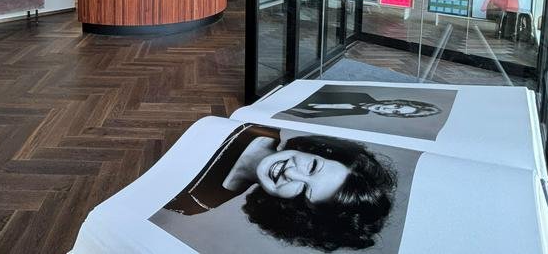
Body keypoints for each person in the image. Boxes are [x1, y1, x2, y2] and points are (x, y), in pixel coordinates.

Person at [164, 124, 396, 251]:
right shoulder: (257, 122)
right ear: (317, 151)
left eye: (303, 191)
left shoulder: (196, 202)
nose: (291, 173)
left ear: (291, 210)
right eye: (313, 166)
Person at [286, 90, 442, 119]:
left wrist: (287, 111)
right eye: (396, 107)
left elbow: (309, 117)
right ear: (395, 102)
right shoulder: (362, 95)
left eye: (396, 112)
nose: (388, 109)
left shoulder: (359, 114)